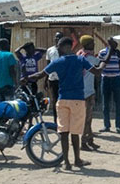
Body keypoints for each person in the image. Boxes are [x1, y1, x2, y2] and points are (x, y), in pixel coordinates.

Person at [23, 37, 102, 170]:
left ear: (66, 46)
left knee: (64, 132)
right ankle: (77, 160)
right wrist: (105, 61)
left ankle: (67, 163)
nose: (57, 48)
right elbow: (98, 72)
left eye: (59, 46)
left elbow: (40, 75)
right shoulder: (80, 60)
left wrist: (25, 79)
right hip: (77, 100)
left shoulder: (58, 62)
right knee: (75, 133)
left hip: (62, 99)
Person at [76, 34, 103, 151]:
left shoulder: (79, 54)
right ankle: (84, 142)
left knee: (88, 118)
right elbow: (101, 63)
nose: (94, 45)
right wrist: (111, 52)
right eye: (92, 43)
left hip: (81, 90)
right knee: (86, 119)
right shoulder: (90, 58)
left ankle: (90, 139)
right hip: (87, 91)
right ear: (87, 45)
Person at [98, 38, 120, 134]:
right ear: (109, 44)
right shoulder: (102, 52)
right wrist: (110, 51)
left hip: (116, 79)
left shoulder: (119, 53)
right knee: (106, 104)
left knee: (118, 104)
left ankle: (118, 126)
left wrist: (116, 72)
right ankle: (106, 125)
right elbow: (101, 63)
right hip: (105, 79)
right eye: (113, 43)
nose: (115, 45)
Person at [45, 32, 64, 121]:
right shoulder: (50, 50)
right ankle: (55, 120)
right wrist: (46, 79)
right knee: (54, 100)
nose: (57, 39)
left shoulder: (65, 50)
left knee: (63, 100)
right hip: (52, 79)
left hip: (63, 79)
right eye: (56, 37)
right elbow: (48, 66)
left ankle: (62, 119)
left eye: (59, 37)